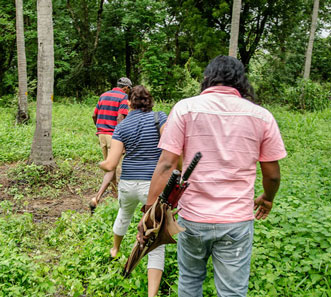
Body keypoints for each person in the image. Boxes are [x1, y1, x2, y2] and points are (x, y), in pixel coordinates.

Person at [138, 55, 287, 297]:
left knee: (190, 281)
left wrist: (149, 213)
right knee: (232, 291)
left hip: (192, 218)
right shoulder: (261, 116)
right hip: (237, 221)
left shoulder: (185, 108)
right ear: (241, 82)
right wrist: (267, 198)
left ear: (207, 79)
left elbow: (166, 165)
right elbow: (272, 175)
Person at [99, 85, 168, 297]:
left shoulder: (122, 125)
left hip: (128, 182)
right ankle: (151, 293)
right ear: (150, 100)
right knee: (154, 235)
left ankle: (115, 250)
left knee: (124, 215)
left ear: (128, 103)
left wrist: (100, 163)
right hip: (153, 184)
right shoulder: (160, 118)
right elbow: (170, 147)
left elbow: (111, 164)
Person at [90, 77, 132, 212]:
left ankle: (114, 194)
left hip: (101, 134)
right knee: (115, 166)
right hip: (114, 135)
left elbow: (93, 115)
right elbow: (120, 117)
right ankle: (101, 197)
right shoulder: (123, 97)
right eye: (129, 89)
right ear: (126, 88)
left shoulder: (103, 95)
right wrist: (122, 137)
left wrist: (99, 128)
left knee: (110, 164)